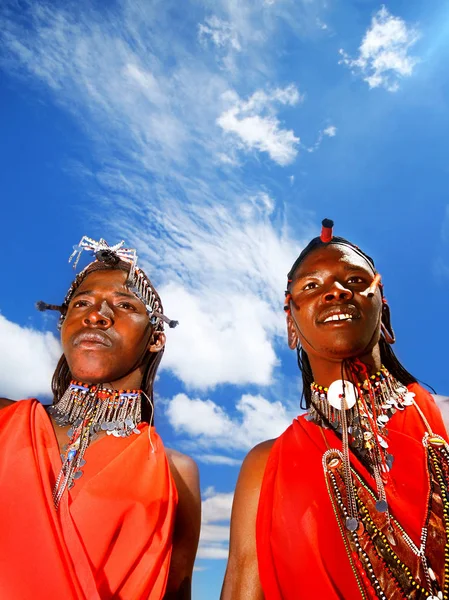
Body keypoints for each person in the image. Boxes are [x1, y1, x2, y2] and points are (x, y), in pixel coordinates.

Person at [221, 219, 449, 600]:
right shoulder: (264, 466)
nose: (336, 292)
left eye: (356, 281)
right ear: (291, 326)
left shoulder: (443, 420)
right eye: (311, 286)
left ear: (384, 314)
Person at [0, 236, 201, 600]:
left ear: (155, 338)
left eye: (124, 304)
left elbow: (177, 589)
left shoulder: (176, 474)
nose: (96, 314)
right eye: (81, 303)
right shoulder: (4, 419)